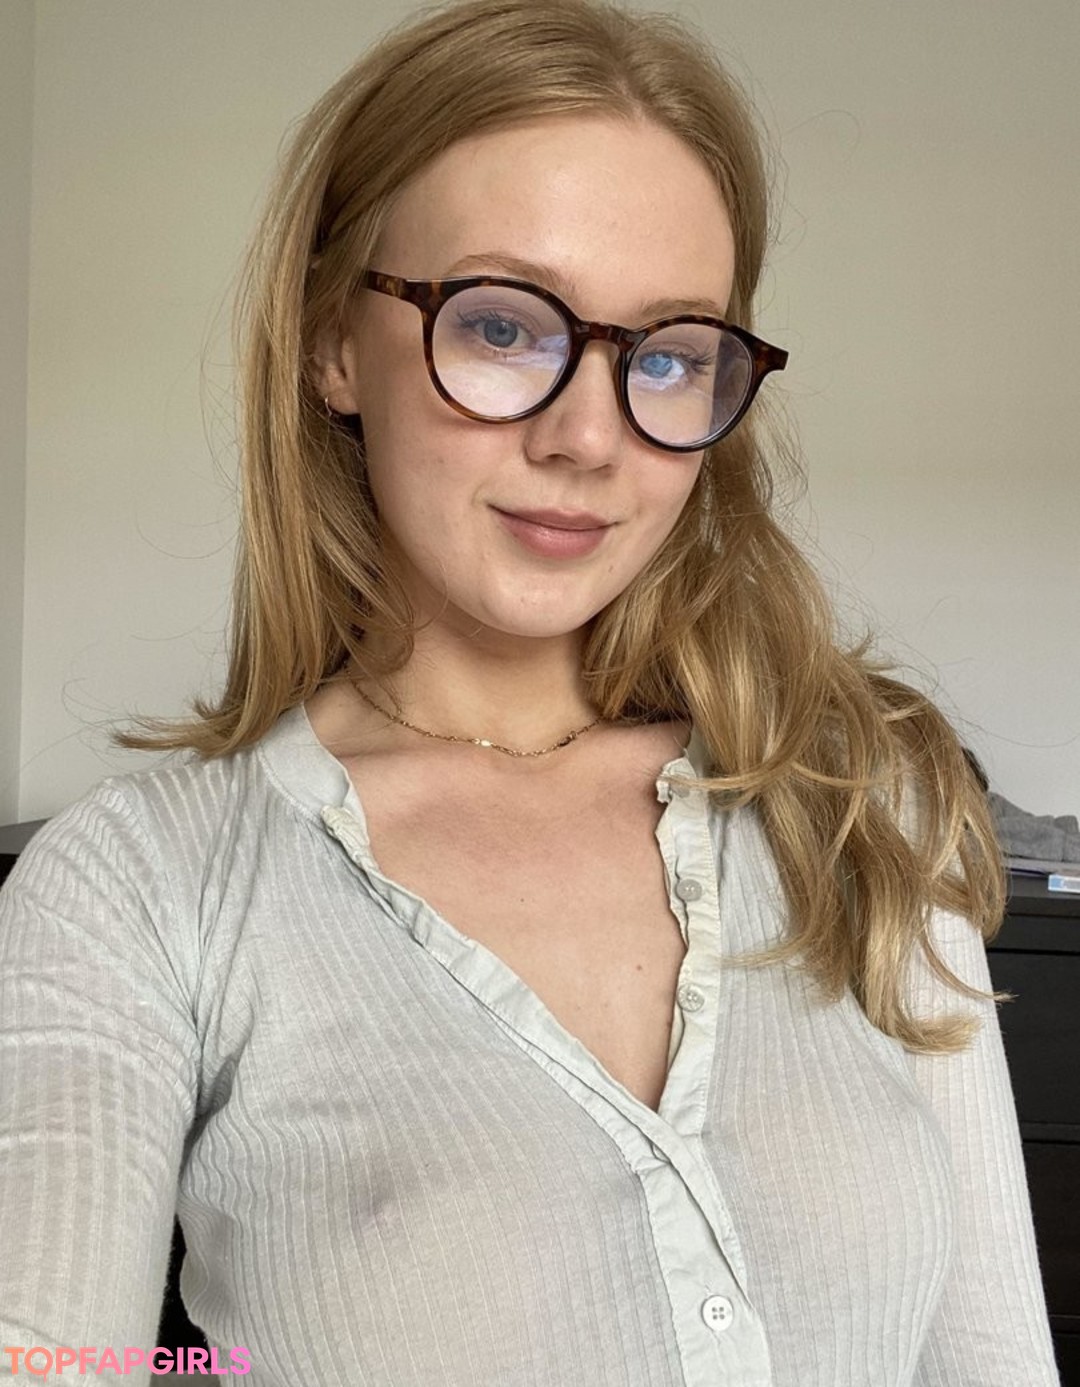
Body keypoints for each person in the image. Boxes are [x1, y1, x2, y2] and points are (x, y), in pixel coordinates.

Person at [0, 1, 1061, 1383]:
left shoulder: (865, 800)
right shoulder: (141, 889)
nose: (588, 437)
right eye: (502, 326)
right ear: (333, 344)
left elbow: (994, 1362)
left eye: (668, 354)